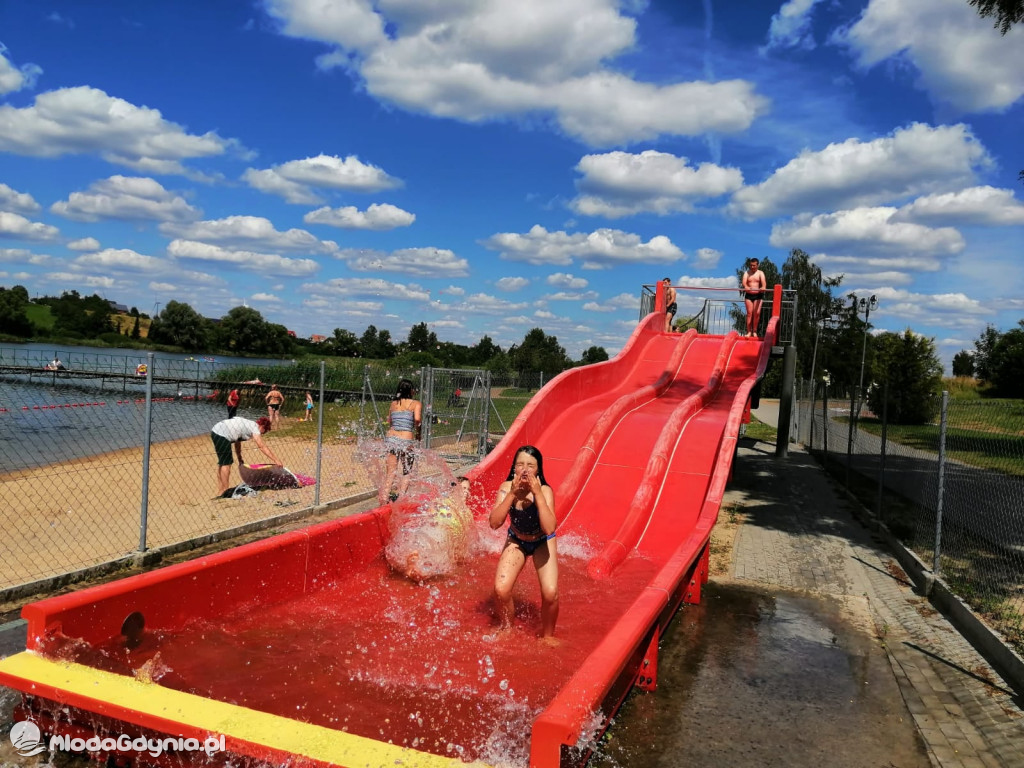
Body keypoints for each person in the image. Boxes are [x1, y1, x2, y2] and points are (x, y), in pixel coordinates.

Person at [489, 445, 558, 640]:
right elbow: (494, 523)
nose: (525, 470)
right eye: (520, 465)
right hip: (517, 539)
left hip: (542, 540)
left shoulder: (544, 491)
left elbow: (550, 528)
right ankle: (507, 628)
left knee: (550, 593)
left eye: (530, 466)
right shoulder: (506, 488)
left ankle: (548, 636)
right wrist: (512, 494)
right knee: (501, 589)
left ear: (538, 470)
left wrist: (537, 495)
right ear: (514, 468)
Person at [386, 476, 475, 581]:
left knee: (436, 551)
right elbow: (428, 520)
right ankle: (417, 563)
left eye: (468, 489)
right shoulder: (442, 502)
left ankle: (415, 565)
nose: (466, 492)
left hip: (445, 539)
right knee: (436, 544)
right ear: (454, 489)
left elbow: (465, 537)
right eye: (463, 488)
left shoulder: (467, 513)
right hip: (439, 532)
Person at [210, 415, 283, 496]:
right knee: (226, 464)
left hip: (215, 431)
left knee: (222, 463)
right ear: (262, 426)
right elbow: (262, 446)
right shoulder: (255, 428)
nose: (262, 434)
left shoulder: (249, 424)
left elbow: (237, 442)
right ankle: (225, 490)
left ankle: (221, 490)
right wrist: (276, 460)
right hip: (223, 434)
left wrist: (239, 458)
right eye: (264, 432)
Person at [381, 378, 423, 503]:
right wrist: (418, 433)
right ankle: (401, 498)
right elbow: (417, 419)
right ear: (411, 390)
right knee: (407, 470)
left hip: (391, 438)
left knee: (390, 472)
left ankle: (384, 498)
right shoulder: (416, 403)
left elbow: (390, 421)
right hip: (406, 438)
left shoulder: (393, 403)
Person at [741, 258, 767, 338]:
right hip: (749, 295)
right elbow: (744, 282)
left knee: (757, 313)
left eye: (754, 265)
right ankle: (749, 331)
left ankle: (754, 331)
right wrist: (746, 286)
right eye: (751, 265)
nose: (752, 267)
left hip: (758, 295)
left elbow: (764, 283)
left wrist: (763, 287)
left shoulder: (760, 273)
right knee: (749, 313)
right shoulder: (747, 273)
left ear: (757, 265)